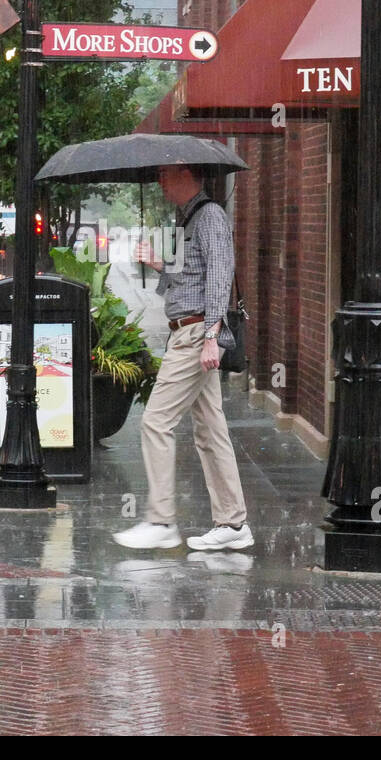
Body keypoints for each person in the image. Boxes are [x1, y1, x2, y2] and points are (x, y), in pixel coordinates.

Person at [112, 164, 253, 552]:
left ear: (188, 175)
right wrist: (160, 264)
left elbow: (220, 278)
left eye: (166, 175)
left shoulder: (209, 216)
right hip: (187, 332)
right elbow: (189, 277)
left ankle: (160, 520)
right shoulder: (186, 219)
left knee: (156, 422)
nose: (160, 183)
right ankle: (233, 522)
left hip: (194, 335)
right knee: (211, 431)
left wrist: (211, 337)